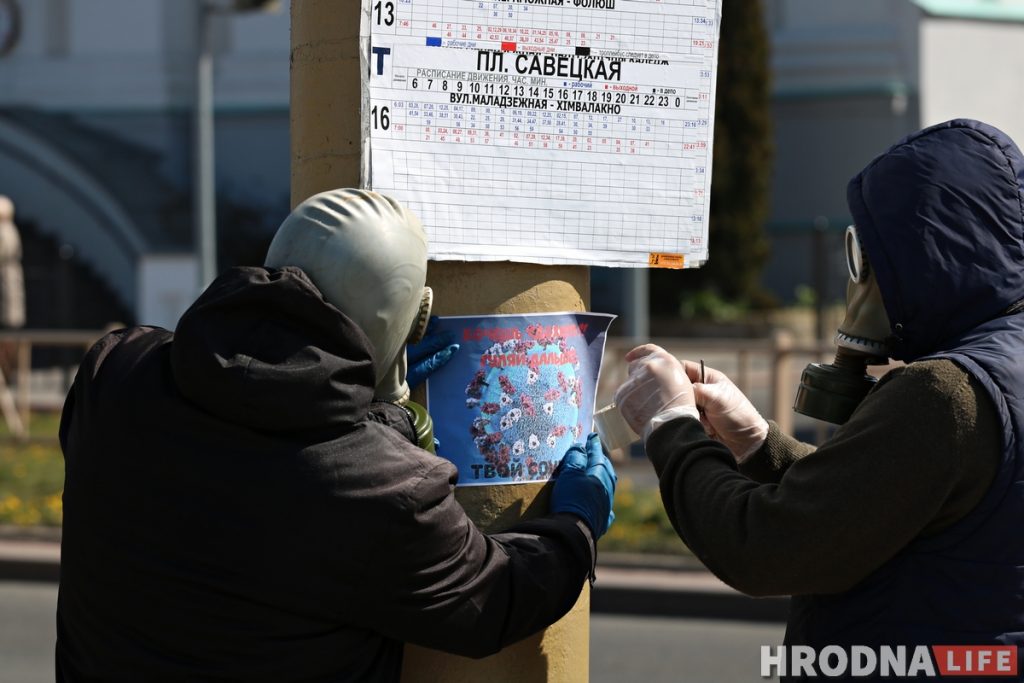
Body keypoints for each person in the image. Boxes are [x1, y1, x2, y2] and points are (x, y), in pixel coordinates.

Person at [56, 189, 616, 681]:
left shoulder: (114, 372)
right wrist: (576, 523)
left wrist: (370, 406)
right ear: (411, 320)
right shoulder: (386, 489)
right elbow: (494, 599)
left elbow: (249, 445)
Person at [615, 119, 1024, 665]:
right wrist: (760, 444)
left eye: (872, 253)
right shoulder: (1001, 368)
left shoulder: (945, 394)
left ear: (924, 252)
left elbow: (765, 547)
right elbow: (880, 501)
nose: (862, 279)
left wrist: (670, 427)